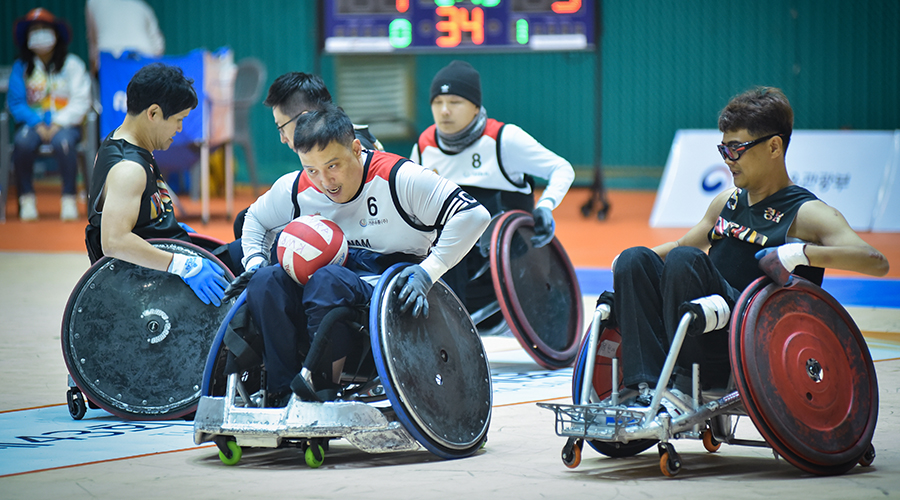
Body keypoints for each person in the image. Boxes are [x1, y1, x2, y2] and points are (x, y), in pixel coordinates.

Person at [611, 87, 890, 408]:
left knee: (685, 260)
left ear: (774, 146)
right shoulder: (725, 202)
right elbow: (679, 244)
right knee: (637, 258)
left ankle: (685, 381)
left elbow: (876, 262)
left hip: (752, 331)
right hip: (703, 319)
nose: (728, 159)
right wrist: (625, 261)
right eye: (723, 149)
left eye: (737, 148)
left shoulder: (807, 213)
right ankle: (645, 385)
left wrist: (801, 253)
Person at [231, 103, 490, 406]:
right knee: (265, 280)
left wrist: (428, 271)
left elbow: (475, 216)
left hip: (386, 284)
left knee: (327, 279)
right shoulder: (295, 188)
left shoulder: (398, 177)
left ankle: (322, 385)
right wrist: (254, 260)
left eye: (333, 166)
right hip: (325, 281)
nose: (325, 181)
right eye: (311, 169)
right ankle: (280, 390)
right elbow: (255, 219)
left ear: (356, 149)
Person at [410, 60, 575, 311]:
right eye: (437, 103)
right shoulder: (424, 147)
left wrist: (546, 205)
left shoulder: (504, 139)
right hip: (454, 263)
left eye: (454, 102)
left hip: (509, 264)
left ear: (476, 107)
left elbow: (562, 168)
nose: (444, 111)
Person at [85, 63, 228, 307]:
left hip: (166, 260)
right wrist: (182, 265)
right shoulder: (128, 170)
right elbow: (113, 242)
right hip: (151, 283)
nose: (180, 129)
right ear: (153, 113)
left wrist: (168, 226)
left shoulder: (124, 141)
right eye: (178, 120)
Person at [7, 8, 92, 221]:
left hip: (66, 126)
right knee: (22, 142)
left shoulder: (73, 65)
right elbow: (15, 103)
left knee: (64, 143)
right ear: (26, 38)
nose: (40, 34)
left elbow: (81, 100)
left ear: (56, 34)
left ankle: (69, 198)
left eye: (45, 29)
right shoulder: (21, 68)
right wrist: (36, 122)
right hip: (32, 127)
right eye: (35, 30)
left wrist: (57, 122)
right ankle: (26, 199)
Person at [85, 0, 165, 75]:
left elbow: (92, 42)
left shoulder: (93, 2)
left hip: (111, 62)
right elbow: (158, 45)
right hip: (141, 59)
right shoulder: (142, 5)